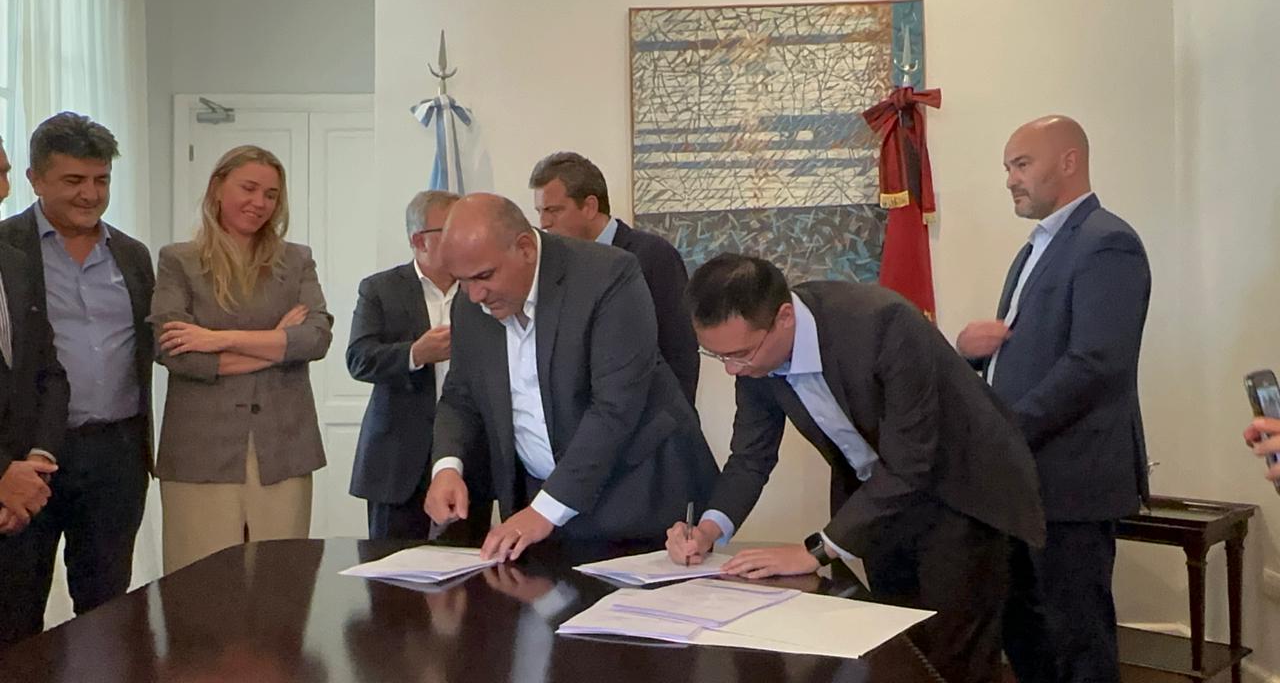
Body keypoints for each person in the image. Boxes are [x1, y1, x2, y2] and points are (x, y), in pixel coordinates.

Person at [666, 253, 1045, 683]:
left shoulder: (883, 324)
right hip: (880, 501)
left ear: (784, 317)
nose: (734, 369)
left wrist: (814, 551)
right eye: (718, 357)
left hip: (962, 491)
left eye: (740, 354)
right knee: (894, 648)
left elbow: (911, 462)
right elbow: (751, 456)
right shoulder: (755, 363)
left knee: (953, 656)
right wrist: (707, 531)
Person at [956, 115, 1151, 683]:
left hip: (1072, 480)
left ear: (1069, 162)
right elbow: (1025, 353)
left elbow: (1096, 364)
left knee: (1077, 640)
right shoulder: (1034, 249)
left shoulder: (1107, 242)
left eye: (1022, 164)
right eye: (1007, 168)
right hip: (1025, 480)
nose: (1010, 180)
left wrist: (1005, 430)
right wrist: (970, 353)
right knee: (1025, 633)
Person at [423, 193, 718, 561]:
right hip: (541, 513)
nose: (475, 295)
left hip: (640, 501)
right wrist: (447, 467)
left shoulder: (608, 275)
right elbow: (460, 396)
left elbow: (616, 407)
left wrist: (546, 509)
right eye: (462, 281)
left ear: (525, 248)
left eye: (484, 276)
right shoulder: (470, 305)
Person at [0, 112, 154, 643]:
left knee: (109, 610)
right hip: (29, 457)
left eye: (101, 180)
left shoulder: (131, 256)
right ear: (35, 179)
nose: (90, 194)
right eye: (74, 180)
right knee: (16, 607)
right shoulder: (8, 249)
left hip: (117, 454)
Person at [150, 144, 333, 574]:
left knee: (279, 584)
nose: (259, 203)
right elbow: (176, 353)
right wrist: (277, 344)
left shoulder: (296, 260)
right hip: (200, 452)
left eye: (271, 194)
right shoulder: (178, 261)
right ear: (217, 188)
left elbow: (315, 339)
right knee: (201, 586)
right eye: (248, 188)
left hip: (283, 448)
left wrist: (217, 339)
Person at [347, 189, 489, 544]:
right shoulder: (380, 289)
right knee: (392, 570)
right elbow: (359, 358)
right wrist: (415, 353)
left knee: (469, 568)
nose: (462, 239)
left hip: (469, 455)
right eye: (451, 230)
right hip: (398, 459)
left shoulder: (482, 287)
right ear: (418, 240)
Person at [530, 152, 700, 405]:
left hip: (650, 418)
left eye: (553, 210)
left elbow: (680, 349)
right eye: (540, 211)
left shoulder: (653, 256)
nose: (543, 223)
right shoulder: (554, 267)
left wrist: (673, 418)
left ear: (589, 206)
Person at [0, 134, 71, 648]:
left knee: (24, 646)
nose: (4, 189)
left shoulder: (17, 261)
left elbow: (49, 373)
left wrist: (36, 462)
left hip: (22, 503)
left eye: (4, 172)